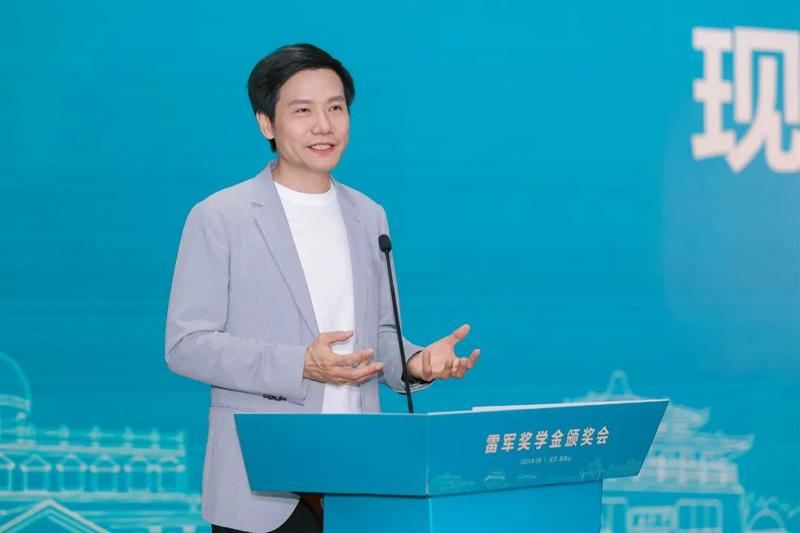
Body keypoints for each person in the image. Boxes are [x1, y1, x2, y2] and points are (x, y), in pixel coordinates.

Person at [165, 43, 480, 533]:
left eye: (335, 108)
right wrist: (300, 364)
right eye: (302, 111)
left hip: (359, 477)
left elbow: (377, 335)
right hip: (262, 485)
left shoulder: (368, 216)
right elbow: (186, 345)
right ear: (266, 123)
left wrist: (416, 362)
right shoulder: (220, 217)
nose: (323, 126)